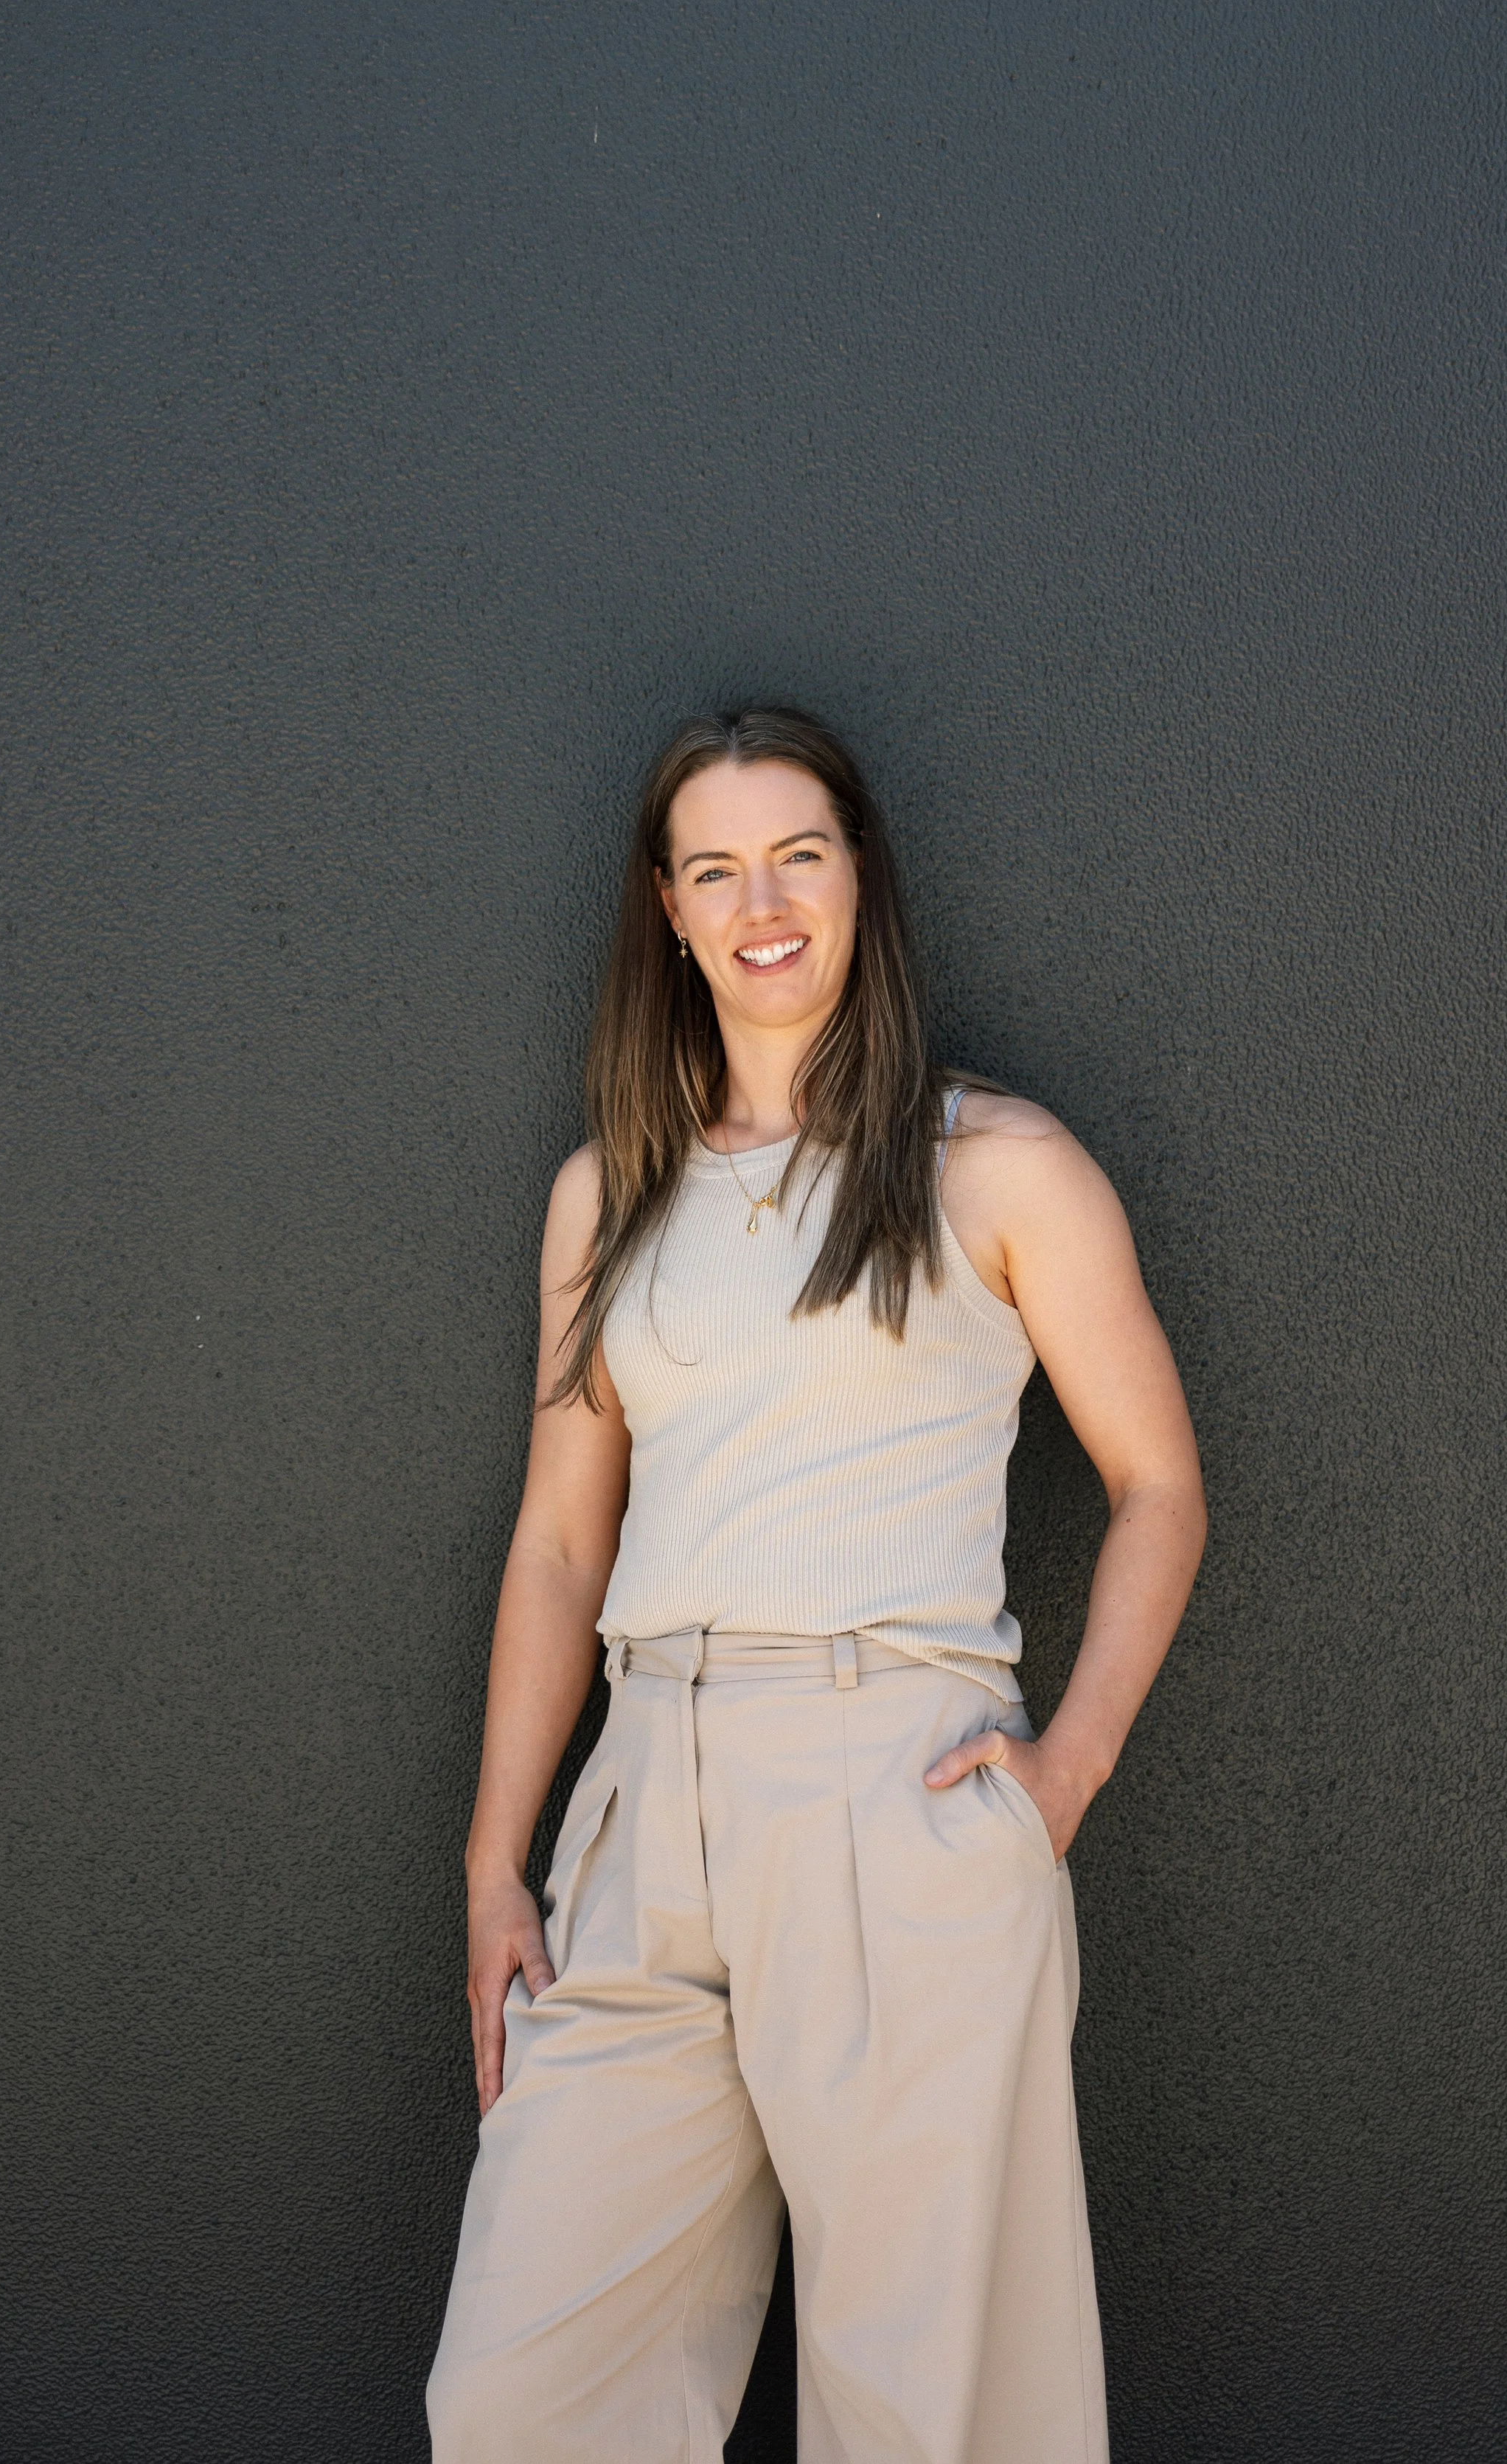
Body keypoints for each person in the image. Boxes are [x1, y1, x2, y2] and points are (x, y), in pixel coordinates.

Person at [426, 704, 1206, 2464]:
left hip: (895, 1795)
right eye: (715, 869)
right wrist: (497, 1863)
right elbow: (560, 1542)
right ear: (669, 912)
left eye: (799, 854)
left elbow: (1158, 1488)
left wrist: (1061, 1769)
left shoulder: (998, 1166)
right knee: (515, 2400)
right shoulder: (605, 1198)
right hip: (644, 1811)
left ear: (859, 877)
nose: (760, 901)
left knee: (933, 2414)